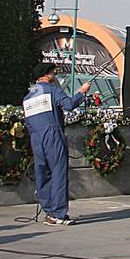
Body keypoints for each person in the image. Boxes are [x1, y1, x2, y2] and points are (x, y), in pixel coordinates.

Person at [23, 63, 91, 226]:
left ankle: (49, 211)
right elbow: (68, 105)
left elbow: (28, 122)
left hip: (36, 137)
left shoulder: (27, 97)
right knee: (58, 173)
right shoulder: (52, 89)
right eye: (53, 71)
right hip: (52, 135)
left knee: (43, 173)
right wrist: (82, 92)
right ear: (47, 75)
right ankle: (59, 213)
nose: (54, 73)